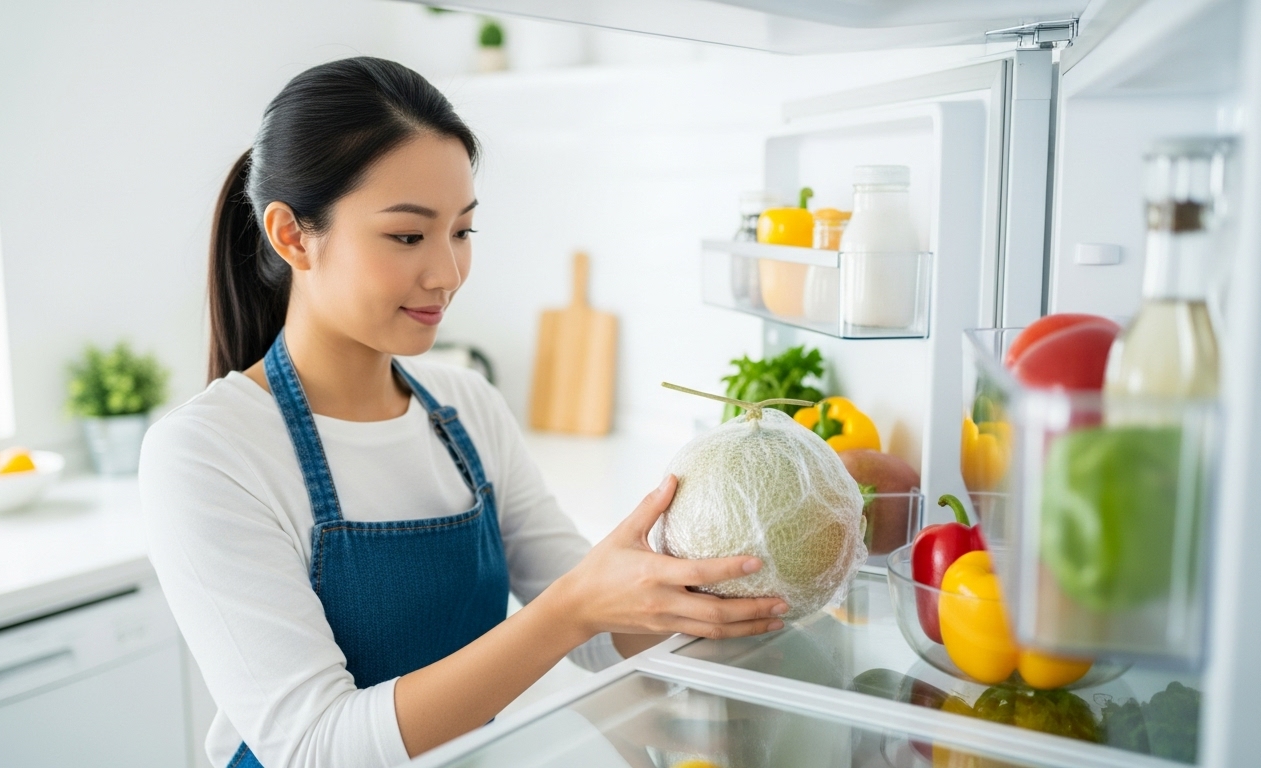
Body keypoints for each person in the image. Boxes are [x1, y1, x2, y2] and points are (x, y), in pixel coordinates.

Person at [139, 57, 788, 768]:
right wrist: (569, 610)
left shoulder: (465, 408)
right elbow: (316, 748)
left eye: (463, 232)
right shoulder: (207, 451)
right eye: (408, 236)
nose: (446, 273)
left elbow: (605, 630)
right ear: (292, 235)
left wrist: (766, 546)